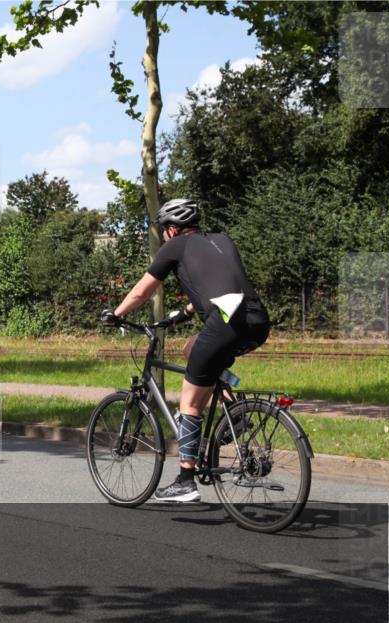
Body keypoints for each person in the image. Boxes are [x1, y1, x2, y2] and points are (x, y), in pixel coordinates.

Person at [101, 198, 270, 502]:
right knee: (193, 349)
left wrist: (116, 313)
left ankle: (185, 480)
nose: (164, 235)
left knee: (189, 403)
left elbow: (142, 290)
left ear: (172, 229)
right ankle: (235, 410)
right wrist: (187, 312)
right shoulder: (221, 240)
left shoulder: (174, 247)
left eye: (164, 229)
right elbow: (223, 284)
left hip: (225, 321)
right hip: (257, 319)